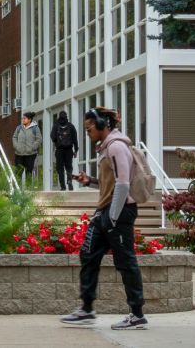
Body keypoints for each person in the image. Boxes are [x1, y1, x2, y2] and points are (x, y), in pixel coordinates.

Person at [60, 107, 147, 330]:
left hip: (119, 211)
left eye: (89, 128)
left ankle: (137, 315)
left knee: (125, 261)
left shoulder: (117, 146)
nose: (87, 133)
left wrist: (113, 218)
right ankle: (87, 310)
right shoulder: (106, 149)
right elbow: (112, 182)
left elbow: (123, 184)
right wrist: (89, 181)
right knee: (88, 254)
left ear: (102, 125)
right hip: (106, 210)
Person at [50, 110, 79, 191]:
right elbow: (75, 139)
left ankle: (63, 186)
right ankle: (69, 180)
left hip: (59, 150)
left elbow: (52, 137)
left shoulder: (56, 126)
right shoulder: (71, 126)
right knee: (69, 167)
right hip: (69, 149)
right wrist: (76, 149)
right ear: (66, 117)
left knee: (60, 168)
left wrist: (57, 142)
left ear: (59, 116)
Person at [12, 111, 42, 185]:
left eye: (24, 118)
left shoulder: (35, 128)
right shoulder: (19, 128)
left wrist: (32, 147)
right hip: (19, 154)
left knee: (29, 172)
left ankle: (28, 190)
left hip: (30, 154)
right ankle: (17, 189)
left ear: (29, 120)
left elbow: (39, 139)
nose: (23, 120)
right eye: (23, 118)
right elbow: (14, 137)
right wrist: (16, 146)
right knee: (18, 172)